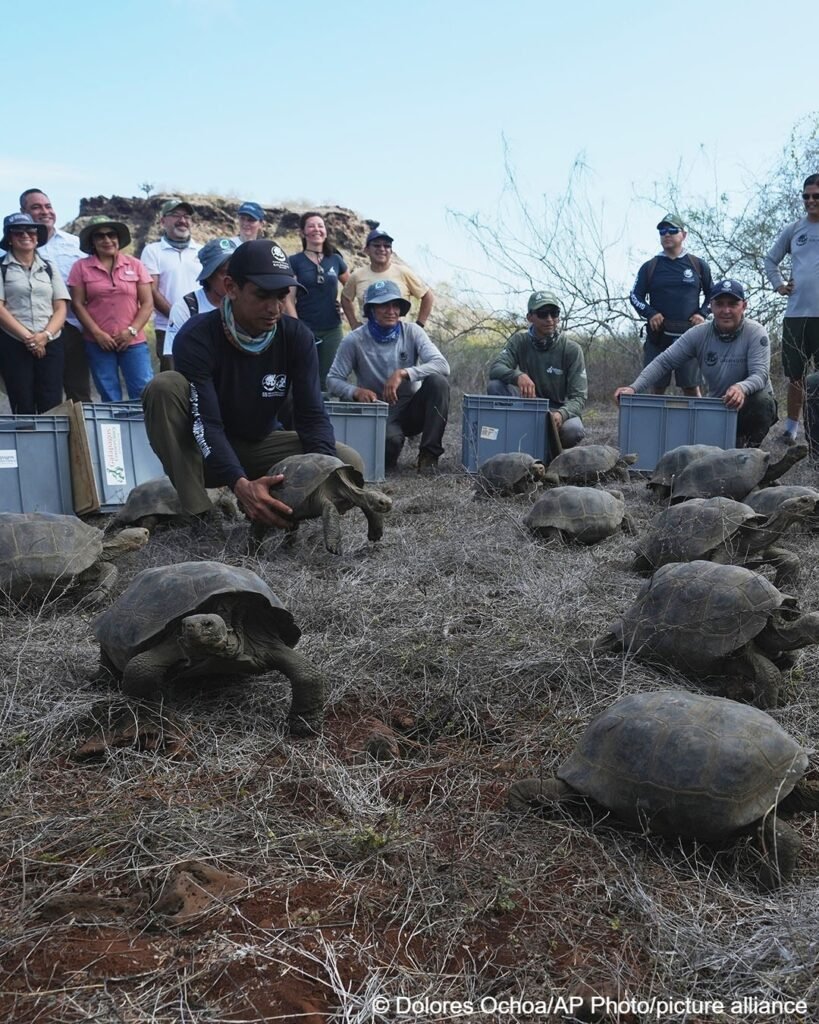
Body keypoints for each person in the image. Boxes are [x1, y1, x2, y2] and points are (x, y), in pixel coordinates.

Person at [141, 239, 364, 528]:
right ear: (231, 287)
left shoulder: (297, 337)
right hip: (202, 450)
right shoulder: (197, 337)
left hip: (260, 444)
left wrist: (323, 471)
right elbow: (206, 423)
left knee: (348, 465)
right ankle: (199, 511)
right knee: (164, 386)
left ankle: (273, 511)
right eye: (262, 295)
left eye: (281, 296)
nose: (274, 308)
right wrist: (239, 483)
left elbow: (312, 414)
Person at [615, 279, 777, 448]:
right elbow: (664, 362)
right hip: (720, 407)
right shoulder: (699, 334)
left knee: (762, 401)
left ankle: (751, 450)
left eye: (732, 304)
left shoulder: (756, 332)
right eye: (720, 304)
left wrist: (741, 388)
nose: (726, 310)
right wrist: (634, 387)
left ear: (743, 306)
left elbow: (760, 375)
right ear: (711, 307)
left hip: (750, 405)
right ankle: (732, 441)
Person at [327, 279, 450, 473]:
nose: (391, 311)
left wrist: (404, 373)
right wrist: (355, 391)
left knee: (438, 382)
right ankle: (390, 447)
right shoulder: (354, 340)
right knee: (388, 452)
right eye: (383, 305)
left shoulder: (412, 332)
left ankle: (429, 457)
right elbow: (332, 380)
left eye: (395, 305)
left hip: (411, 407)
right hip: (378, 411)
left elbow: (442, 365)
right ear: (370, 310)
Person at [67, 217, 154, 402]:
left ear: (118, 238)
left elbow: (147, 303)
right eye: (100, 236)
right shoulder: (80, 267)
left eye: (111, 234)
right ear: (92, 241)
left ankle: (145, 430)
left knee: (143, 389)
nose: (106, 240)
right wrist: (97, 334)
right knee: (108, 394)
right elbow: (77, 304)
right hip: (98, 342)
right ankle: (116, 431)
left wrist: (131, 331)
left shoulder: (135, 265)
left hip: (133, 341)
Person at [487, 290, 587, 448]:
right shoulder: (519, 341)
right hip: (526, 406)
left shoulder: (572, 349)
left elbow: (579, 397)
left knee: (574, 429)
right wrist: (517, 376)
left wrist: (562, 414)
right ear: (530, 317)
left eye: (554, 313)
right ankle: (513, 445)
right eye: (542, 314)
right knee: (495, 386)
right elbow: (496, 368)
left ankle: (551, 454)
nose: (549, 320)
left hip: (556, 410)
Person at [629, 213, 713, 397]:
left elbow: (713, 295)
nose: (666, 234)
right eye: (662, 231)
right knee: (656, 386)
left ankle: (697, 426)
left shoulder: (698, 265)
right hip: (659, 338)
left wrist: (702, 314)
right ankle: (654, 425)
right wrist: (650, 313)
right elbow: (635, 296)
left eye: (672, 230)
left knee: (691, 387)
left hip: (689, 337)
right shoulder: (649, 267)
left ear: (683, 235)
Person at [19, 188, 90, 402]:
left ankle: (83, 436)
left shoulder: (76, 245)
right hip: (29, 332)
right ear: (23, 211)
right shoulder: (8, 252)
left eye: (48, 206)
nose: (45, 211)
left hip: (72, 329)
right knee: (41, 394)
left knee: (79, 393)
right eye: (36, 207)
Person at [764, 174, 819, 445]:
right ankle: (790, 430)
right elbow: (770, 259)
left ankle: (816, 434)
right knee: (795, 375)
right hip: (797, 315)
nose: (810, 201)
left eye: (816, 196)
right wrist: (779, 285)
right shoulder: (794, 229)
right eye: (806, 196)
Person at [0, 213, 69, 413]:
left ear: (37, 237)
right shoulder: (1, 268)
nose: (26, 235)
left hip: (51, 342)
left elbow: (60, 307)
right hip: (14, 342)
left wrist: (44, 336)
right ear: (10, 239)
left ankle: (51, 444)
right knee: (22, 401)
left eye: (31, 231)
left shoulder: (49, 267)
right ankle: (27, 444)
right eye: (18, 232)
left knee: (52, 401)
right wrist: (30, 339)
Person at [286, 212, 350, 388]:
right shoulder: (294, 261)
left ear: (326, 232)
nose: (317, 229)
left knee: (330, 379)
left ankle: (326, 415)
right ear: (302, 232)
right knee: (303, 376)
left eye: (320, 226)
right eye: (311, 226)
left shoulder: (336, 260)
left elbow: (351, 288)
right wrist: (297, 326)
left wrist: (344, 308)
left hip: (332, 329)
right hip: (305, 327)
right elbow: (288, 298)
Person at [140, 198, 201, 371]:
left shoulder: (203, 251)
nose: (182, 220)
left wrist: (196, 320)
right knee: (173, 380)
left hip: (203, 326)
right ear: (162, 221)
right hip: (168, 328)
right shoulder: (153, 251)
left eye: (186, 216)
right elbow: (152, 289)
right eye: (175, 215)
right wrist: (179, 316)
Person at [341, 229, 434, 330]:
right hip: (368, 338)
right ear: (367, 250)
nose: (382, 249)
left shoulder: (403, 272)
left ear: (391, 251)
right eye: (376, 245)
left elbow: (427, 296)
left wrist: (419, 325)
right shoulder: (357, 276)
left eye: (387, 246)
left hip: (400, 338)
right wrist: (353, 323)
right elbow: (345, 298)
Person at [164, 237, 238, 357]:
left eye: (235, 271)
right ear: (209, 275)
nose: (231, 279)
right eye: (224, 273)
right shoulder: (186, 308)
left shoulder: (245, 304)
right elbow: (173, 357)